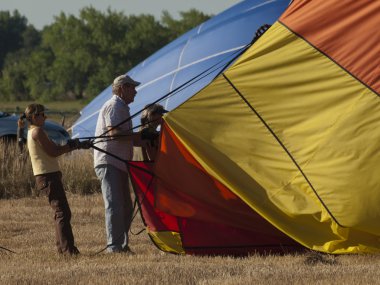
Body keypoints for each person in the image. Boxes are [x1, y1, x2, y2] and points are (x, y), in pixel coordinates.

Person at [20, 103, 92, 255]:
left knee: (61, 212)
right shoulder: (38, 131)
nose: (45, 117)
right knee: (62, 213)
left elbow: (54, 149)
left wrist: (74, 146)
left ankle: (63, 248)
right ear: (34, 117)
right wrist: (72, 146)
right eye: (42, 114)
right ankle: (68, 251)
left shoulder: (33, 131)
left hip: (47, 175)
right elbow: (54, 152)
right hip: (48, 176)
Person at [94, 74, 143, 253]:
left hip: (119, 162)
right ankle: (114, 247)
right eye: (132, 87)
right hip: (109, 161)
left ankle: (121, 245)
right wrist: (139, 136)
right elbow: (114, 133)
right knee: (115, 204)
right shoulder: (114, 106)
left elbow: (128, 138)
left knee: (125, 206)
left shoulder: (122, 107)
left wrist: (148, 136)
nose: (135, 91)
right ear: (122, 88)